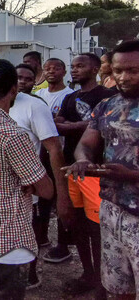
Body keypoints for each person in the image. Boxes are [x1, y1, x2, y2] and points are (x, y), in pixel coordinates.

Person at [0, 59, 54, 300]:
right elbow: (46, 190)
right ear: (14, 89)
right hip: (9, 241)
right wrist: (32, 180)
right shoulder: (12, 134)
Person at [65, 40, 139, 299]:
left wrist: (128, 175)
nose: (123, 77)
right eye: (118, 70)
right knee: (118, 288)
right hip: (111, 209)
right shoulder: (107, 106)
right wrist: (83, 159)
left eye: (133, 71)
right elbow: (86, 143)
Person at [55, 53, 115, 296]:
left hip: (95, 171)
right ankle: (87, 273)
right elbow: (58, 120)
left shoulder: (107, 96)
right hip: (72, 168)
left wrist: (71, 126)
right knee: (77, 225)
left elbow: (100, 125)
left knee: (97, 228)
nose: (75, 70)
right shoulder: (70, 97)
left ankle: (102, 281)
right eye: (73, 66)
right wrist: (72, 125)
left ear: (95, 69)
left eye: (81, 66)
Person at [10, 63, 72, 289]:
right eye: (18, 77)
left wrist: (60, 193)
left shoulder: (35, 105)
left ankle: (30, 273)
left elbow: (53, 148)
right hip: (2, 187)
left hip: (28, 184)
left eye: (27, 79)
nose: (22, 82)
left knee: (29, 231)